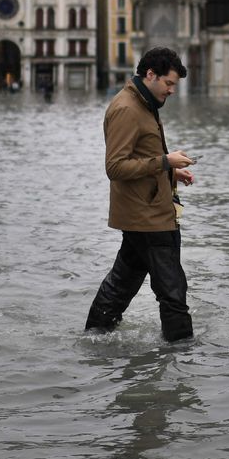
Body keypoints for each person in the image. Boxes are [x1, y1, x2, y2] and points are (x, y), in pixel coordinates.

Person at [85, 47, 196, 342]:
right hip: (148, 218)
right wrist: (165, 162)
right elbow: (115, 167)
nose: (172, 90)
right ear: (150, 75)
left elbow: (140, 157)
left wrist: (172, 172)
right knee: (172, 291)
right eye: (169, 83)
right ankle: (183, 356)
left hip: (148, 211)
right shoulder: (127, 109)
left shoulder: (143, 104)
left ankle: (94, 338)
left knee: (122, 284)